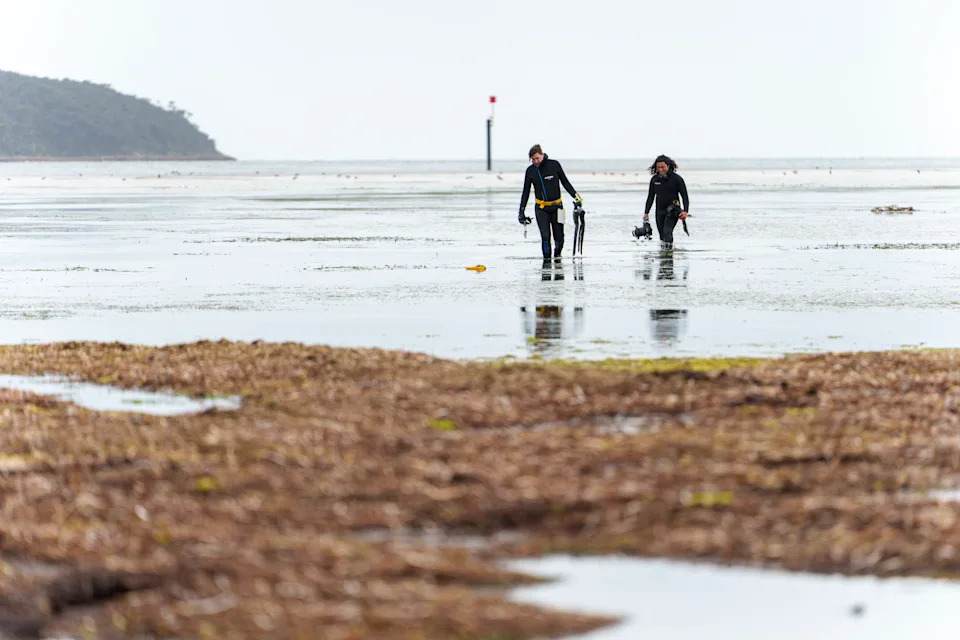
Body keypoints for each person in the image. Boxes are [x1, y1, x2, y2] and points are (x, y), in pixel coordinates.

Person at [518, 144, 583, 264]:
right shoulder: (530, 171)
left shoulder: (554, 165)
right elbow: (525, 192)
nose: (535, 161)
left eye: (537, 158)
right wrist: (521, 212)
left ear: (542, 155)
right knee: (545, 237)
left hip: (558, 207)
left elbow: (566, 183)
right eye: (533, 159)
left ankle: (557, 257)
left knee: (560, 237)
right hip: (541, 209)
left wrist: (577, 199)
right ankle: (546, 263)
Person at [642, 154, 689, 250]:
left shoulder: (676, 179)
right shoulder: (655, 180)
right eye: (658, 167)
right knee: (662, 235)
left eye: (663, 167)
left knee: (667, 231)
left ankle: (669, 253)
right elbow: (650, 197)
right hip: (659, 211)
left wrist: (685, 211)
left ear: (668, 166)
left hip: (673, 210)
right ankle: (665, 254)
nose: (660, 169)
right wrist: (646, 212)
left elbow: (684, 196)